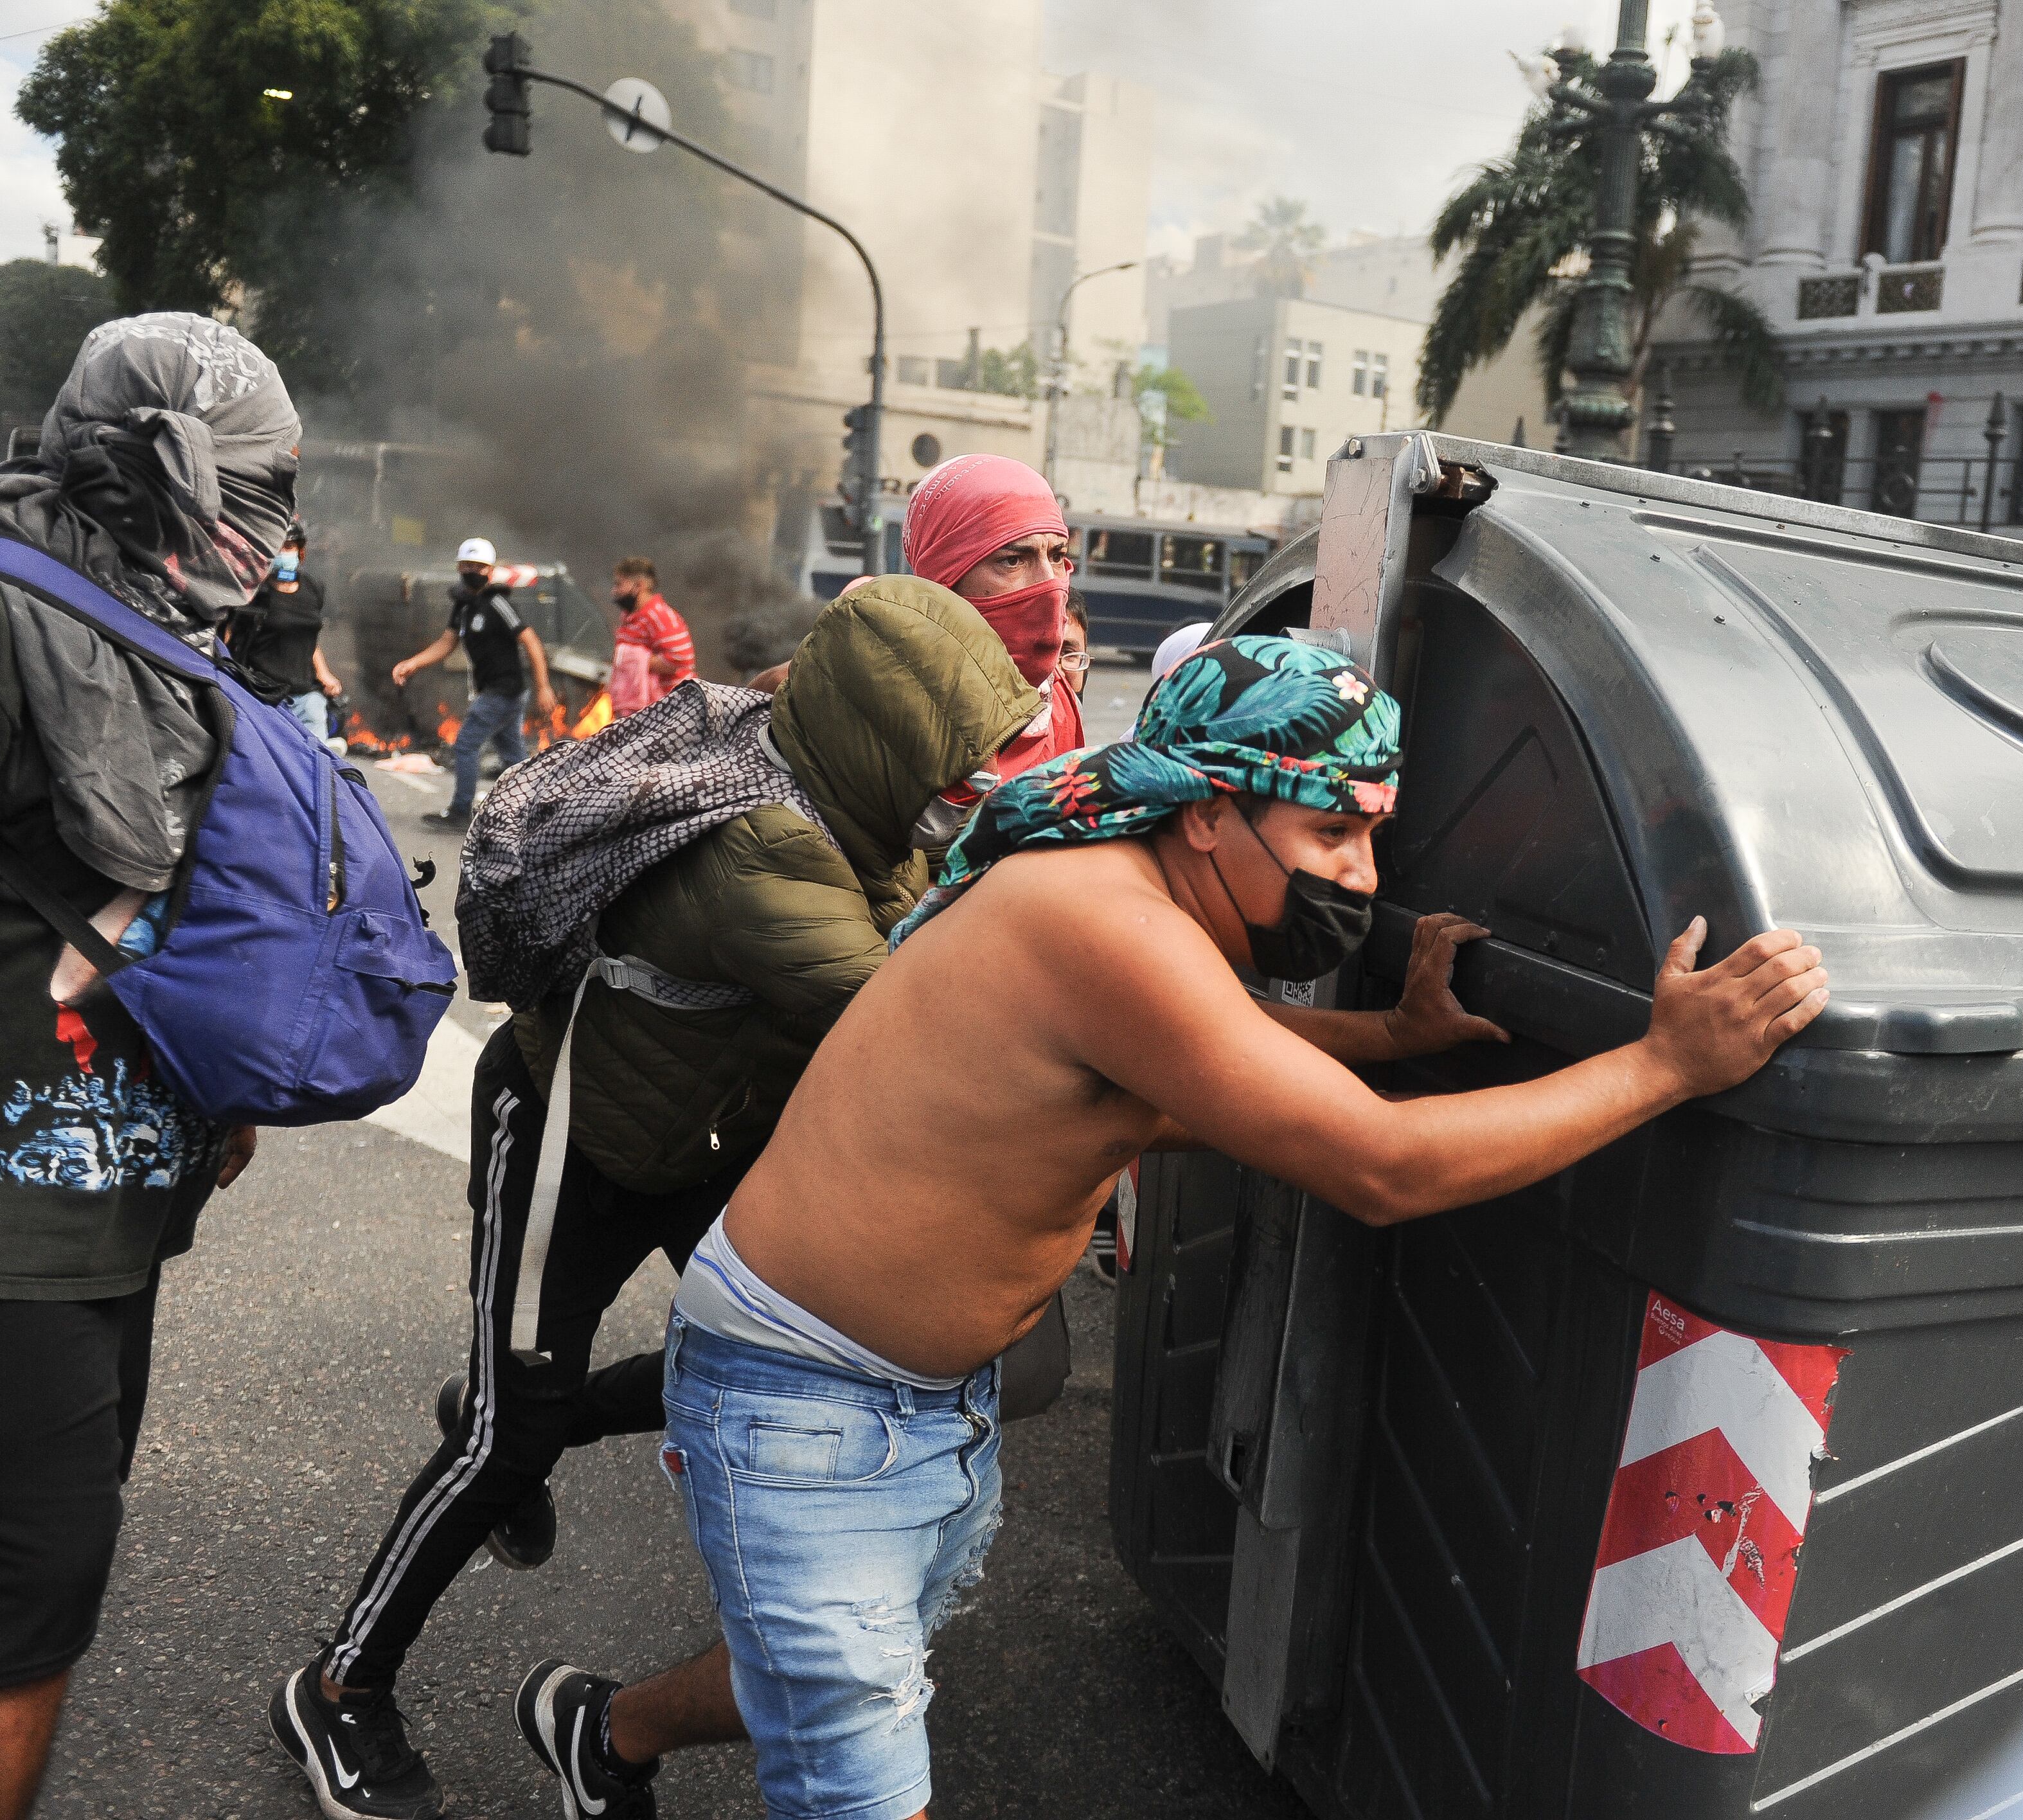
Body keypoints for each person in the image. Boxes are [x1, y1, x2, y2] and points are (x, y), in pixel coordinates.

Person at [654, 634, 1830, 1820]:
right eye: (1332, 832)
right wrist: (1666, 1063)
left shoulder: (1126, 895)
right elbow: (1382, 1167)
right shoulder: (1104, 922)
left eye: (1369, 835)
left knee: (832, 1672)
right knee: (855, 1745)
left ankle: (602, 1730)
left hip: (921, 1405)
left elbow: (1190, 1066)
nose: (1363, 877)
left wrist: (1390, 1039)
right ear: (1210, 812)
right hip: (804, 1397)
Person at [276, 578, 1040, 1820]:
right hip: (568, 1134)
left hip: (697, 1133)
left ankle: (535, 1415)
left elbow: (928, 930)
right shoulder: (768, 843)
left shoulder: (861, 820)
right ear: (887, 738)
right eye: (968, 752)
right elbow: (907, 1016)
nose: (982, 775)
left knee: (776, 1349)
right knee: (500, 1445)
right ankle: (341, 1680)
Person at [0, 312, 276, 1820]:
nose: (275, 527)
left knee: (23, 1610)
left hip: (93, 1236)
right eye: (254, 488)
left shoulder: (146, 627)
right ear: (168, 471)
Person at [899, 453, 1085, 778]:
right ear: (944, 580)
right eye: (1013, 560)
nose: (1050, 585)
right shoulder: (879, 697)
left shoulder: (1060, 707)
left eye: (1058, 556)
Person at [391, 539, 557, 829]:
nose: (472, 571)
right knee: (514, 756)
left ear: (490, 571)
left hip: (504, 689)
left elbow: (531, 641)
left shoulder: (498, 604)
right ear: (459, 567)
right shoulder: (464, 606)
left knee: (465, 746)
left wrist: (544, 686)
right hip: (496, 690)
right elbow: (447, 643)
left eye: (479, 567)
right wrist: (413, 663)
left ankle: (460, 811)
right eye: (467, 565)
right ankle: (533, 813)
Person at [226, 526, 343, 747]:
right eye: (277, 547)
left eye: (288, 547)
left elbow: (309, 638)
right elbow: (230, 635)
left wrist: (325, 674)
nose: (283, 553)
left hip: (306, 695)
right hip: (262, 693)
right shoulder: (253, 591)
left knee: (314, 757)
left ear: (301, 552)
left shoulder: (313, 588)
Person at [607, 555, 695, 718]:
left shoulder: (659, 616)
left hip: (672, 711)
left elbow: (681, 658)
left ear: (638, 586)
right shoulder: (630, 618)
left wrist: (635, 661)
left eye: (619, 584)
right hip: (650, 713)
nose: (614, 591)